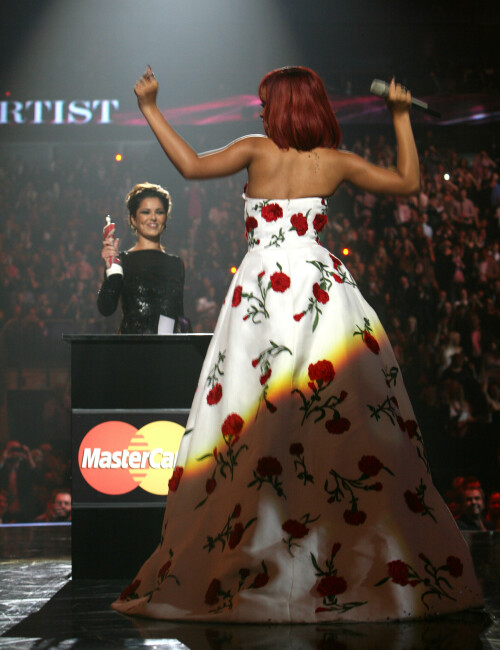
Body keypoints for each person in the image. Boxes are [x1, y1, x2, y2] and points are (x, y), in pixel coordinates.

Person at [112, 66, 483, 623]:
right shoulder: (330, 161)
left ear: (281, 107)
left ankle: (264, 542)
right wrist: (401, 118)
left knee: (254, 420)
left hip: (262, 296)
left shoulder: (257, 149)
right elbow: (408, 183)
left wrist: (150, 108)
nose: (260, 111)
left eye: (266, 103)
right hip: (320, 294)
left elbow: (188, 166)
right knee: (341, 422)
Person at [97, 182, 187, 334]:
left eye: (159, 212)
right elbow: (106, 308)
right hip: (132, 351)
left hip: (166, 352)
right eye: (146, 212)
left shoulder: (175, 264)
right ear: (133, 219)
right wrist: (112, 270)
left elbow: (177, 315)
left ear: (166, 218)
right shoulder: (122, 262)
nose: (153, 217)